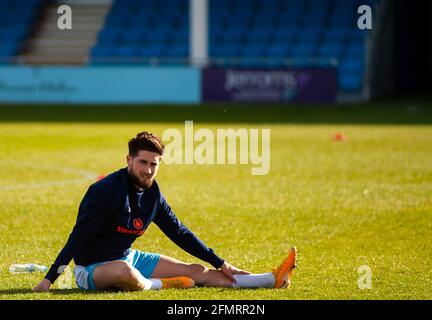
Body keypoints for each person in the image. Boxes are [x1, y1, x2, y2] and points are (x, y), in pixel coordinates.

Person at [33, 132, 297, 292]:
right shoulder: (105, 191)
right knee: (123, 272)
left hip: (130, 258)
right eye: (142, 162)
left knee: (196, 270)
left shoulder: (153, 195)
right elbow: (78, 237)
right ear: (128, 160)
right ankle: (158, 284)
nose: (147, 170)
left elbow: (179, 232)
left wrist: (220, 262)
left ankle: (268, 279)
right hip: (92, 268)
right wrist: (50, 279)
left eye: (154, 164)